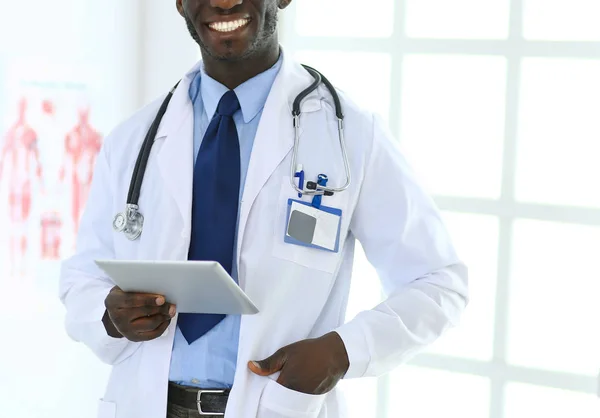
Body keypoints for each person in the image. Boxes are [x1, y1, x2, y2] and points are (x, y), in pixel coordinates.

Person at [59, 1, 468, 417]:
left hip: (276, 404)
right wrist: (110, 316)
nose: (223, 2)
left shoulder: (353, 136)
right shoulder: (133, 139)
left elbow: (438, 282)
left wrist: (341, 352)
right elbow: (82, 278)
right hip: (146, 403)